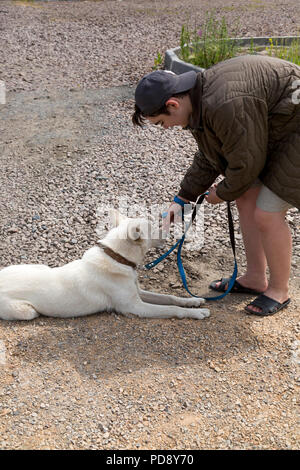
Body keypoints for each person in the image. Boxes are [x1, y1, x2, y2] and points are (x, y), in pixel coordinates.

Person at [132, 54, 300, 316]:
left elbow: (247, 164)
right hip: (282, 126)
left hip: (295, 131)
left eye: (162, 123)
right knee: (245, 197)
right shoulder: (199, 99)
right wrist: (183, 198)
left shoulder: (223, 103)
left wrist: (220, 194)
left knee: (267, 213)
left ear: (172, 104)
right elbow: (212, 156)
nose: (166, 128)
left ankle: (279, 290)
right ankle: (256, 277)